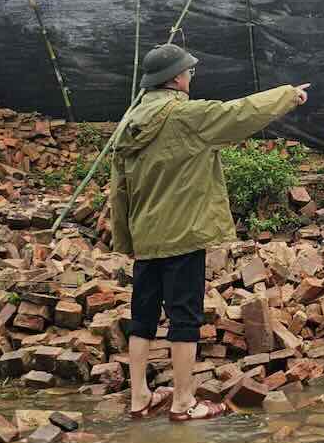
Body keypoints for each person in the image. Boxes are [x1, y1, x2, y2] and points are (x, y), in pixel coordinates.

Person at [109, 43, 309, 421]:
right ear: (177, 79)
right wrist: (288, 95)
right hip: (182, 234)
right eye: (189, 72)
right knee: (184, 318)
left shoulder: (129, 122)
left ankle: (139, 398)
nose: (190, 78)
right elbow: (240, 113)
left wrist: (127, 238)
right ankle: (184, 403)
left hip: (146, 237)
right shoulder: (187, 117)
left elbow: (118, 188)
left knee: (143, 317)